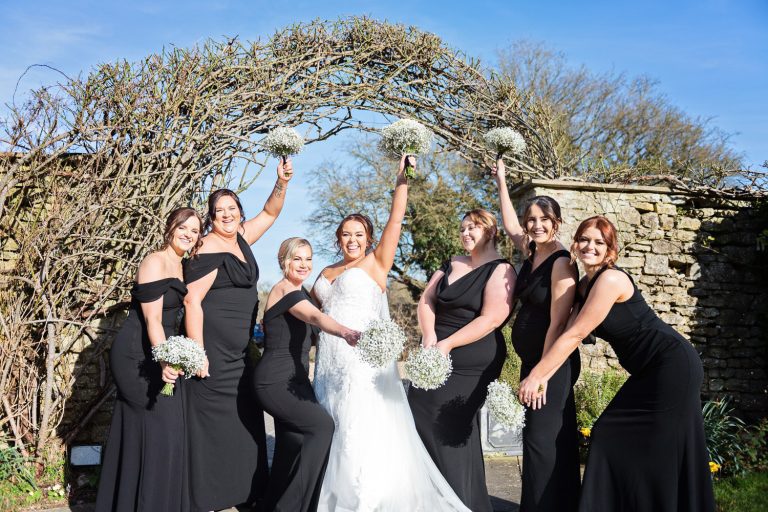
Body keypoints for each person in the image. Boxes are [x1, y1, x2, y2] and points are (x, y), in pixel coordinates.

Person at [519, 216, 715, 512]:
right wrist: (545, 369)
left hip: (671, 365)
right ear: (575, 242)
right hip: (648, 370)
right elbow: (563, 327)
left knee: (613, 434)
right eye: (585, 239)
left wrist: (537, 376)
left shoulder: (611, 279)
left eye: (599, 242)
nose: (590, 246)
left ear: (611, 249)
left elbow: (576, 333)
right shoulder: (584, 285)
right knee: (628, 441)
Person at [311, 155, 470, 511]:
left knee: (357, 424)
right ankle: (326, 489)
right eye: (346, 235)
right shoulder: (326, 269)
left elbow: (395, 218)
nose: (352, 240)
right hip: (328, 361)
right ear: (338, 239)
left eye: (359, 235)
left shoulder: (376, 263)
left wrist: (402, 179)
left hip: (360, 360)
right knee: (331, 420)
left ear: (368, 238)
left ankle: (361, 498)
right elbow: (309, 311)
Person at [183, 158, 293, 512]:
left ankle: (247, 492)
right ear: (210, 216)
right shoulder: (204, 247)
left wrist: (281, 182)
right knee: (214, 423)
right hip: (212, 352)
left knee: (244, 418)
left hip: (241, 352)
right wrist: (198, 352)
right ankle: (209, 496)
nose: (226, 214)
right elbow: (192, 300)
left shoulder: (242, 237)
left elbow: (271, 213)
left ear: (238, 212)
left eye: (231, 208)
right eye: (219, 210)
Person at [407, 208, 515, 512]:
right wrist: (429, 335)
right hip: (433, 351)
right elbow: (427, 299)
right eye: (463, 228)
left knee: (449, 428)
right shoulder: (452, 263)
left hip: (471, 357)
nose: (466, 233)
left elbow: (493, 317)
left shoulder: (501, 269)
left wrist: (449, 344)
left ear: (491, 232)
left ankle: (461, 504)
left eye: (473, 229)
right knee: (418, 415)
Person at [96, 207, 202, 512]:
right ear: (170, 227)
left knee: (166, 434)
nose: (188, 234)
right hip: (137, 354)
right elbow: (153, 320)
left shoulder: (182, 266)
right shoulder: (154, 261)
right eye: (183, 227)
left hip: (160, 352)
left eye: (194, 231)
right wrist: (166, 361)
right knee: (160, 432)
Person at [493, 158, 581, 511]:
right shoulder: (531, 251)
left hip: (552, 365)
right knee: (545, 441)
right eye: (532, 219)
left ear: (557, 223)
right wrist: (501, 180)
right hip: (536, 361)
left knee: (540, 442)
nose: (536, 225)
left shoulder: (561, 261)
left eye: (544, 220)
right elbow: (511, 223)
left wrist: (540, 375)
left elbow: (558, 324)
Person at [253, 237, 360, 512]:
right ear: (283, 261)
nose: (303, 264)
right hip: (275, 381)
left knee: (292, 443)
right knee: (322, 427)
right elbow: (316, 319)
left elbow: (310, 328)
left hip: (296, 381)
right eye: (296, 258)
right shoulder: (285, 290)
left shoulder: (300, 295)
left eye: (308, 258)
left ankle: (271, 504)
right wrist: (346, 331)